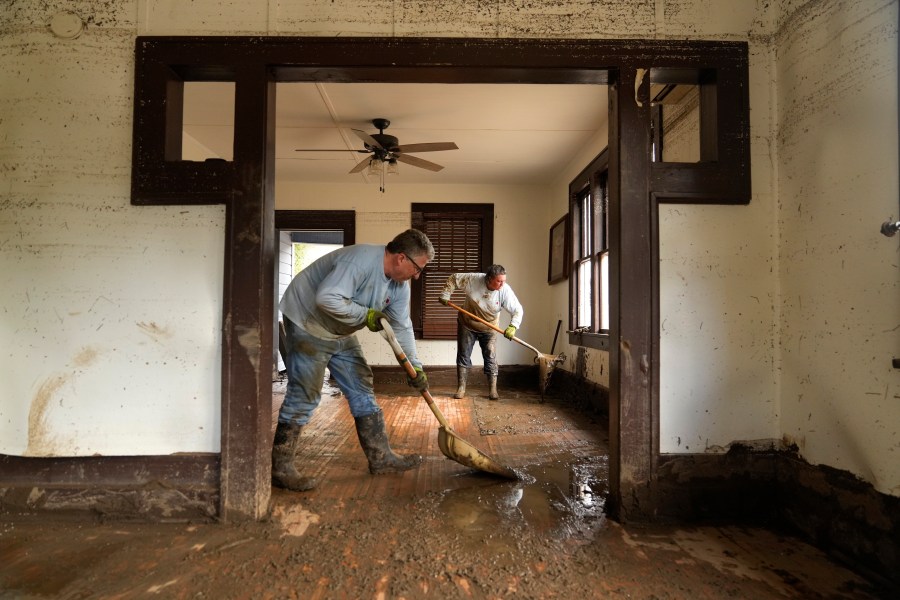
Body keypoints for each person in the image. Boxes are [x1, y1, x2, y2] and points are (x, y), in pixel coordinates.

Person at [274, 228, 433, 491]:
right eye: (418, 268)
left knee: (361, 385)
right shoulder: (359, 261)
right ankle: (281, 468)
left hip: (339, 329)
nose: (417, 275)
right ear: (401, 258)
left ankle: (381, 457)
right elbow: (326, 298)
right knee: (305, 394)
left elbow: (401, 327)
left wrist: (414, 366)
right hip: (307, 321)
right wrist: (367, 316)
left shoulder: (399, 285)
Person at [439, 264, 523, 401]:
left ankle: (492, 389)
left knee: (490, 356)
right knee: (463, 354)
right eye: (499, 281)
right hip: (467, 323)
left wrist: (513, 326)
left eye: (504, 281)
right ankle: (461, 388)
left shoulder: (505, 291)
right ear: (488, 279)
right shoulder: (473, 279)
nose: (502, 284)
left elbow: (518, 310)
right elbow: (454, 278)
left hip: (490, 327)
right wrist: (445, 293)